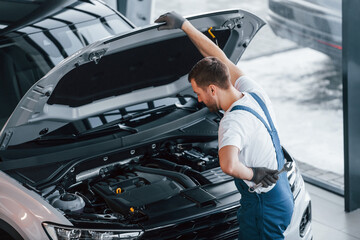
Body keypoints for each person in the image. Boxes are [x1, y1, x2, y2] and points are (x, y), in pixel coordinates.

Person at [155, 12, 294, 240]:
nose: (198, 99)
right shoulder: (254, 92)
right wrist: (185, 26)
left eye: (198, 93)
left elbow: (228, 165)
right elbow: (220, 58)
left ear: (212, 89)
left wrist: (254, 174)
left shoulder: (232, 122)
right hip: (280, 196)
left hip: (262, 207)